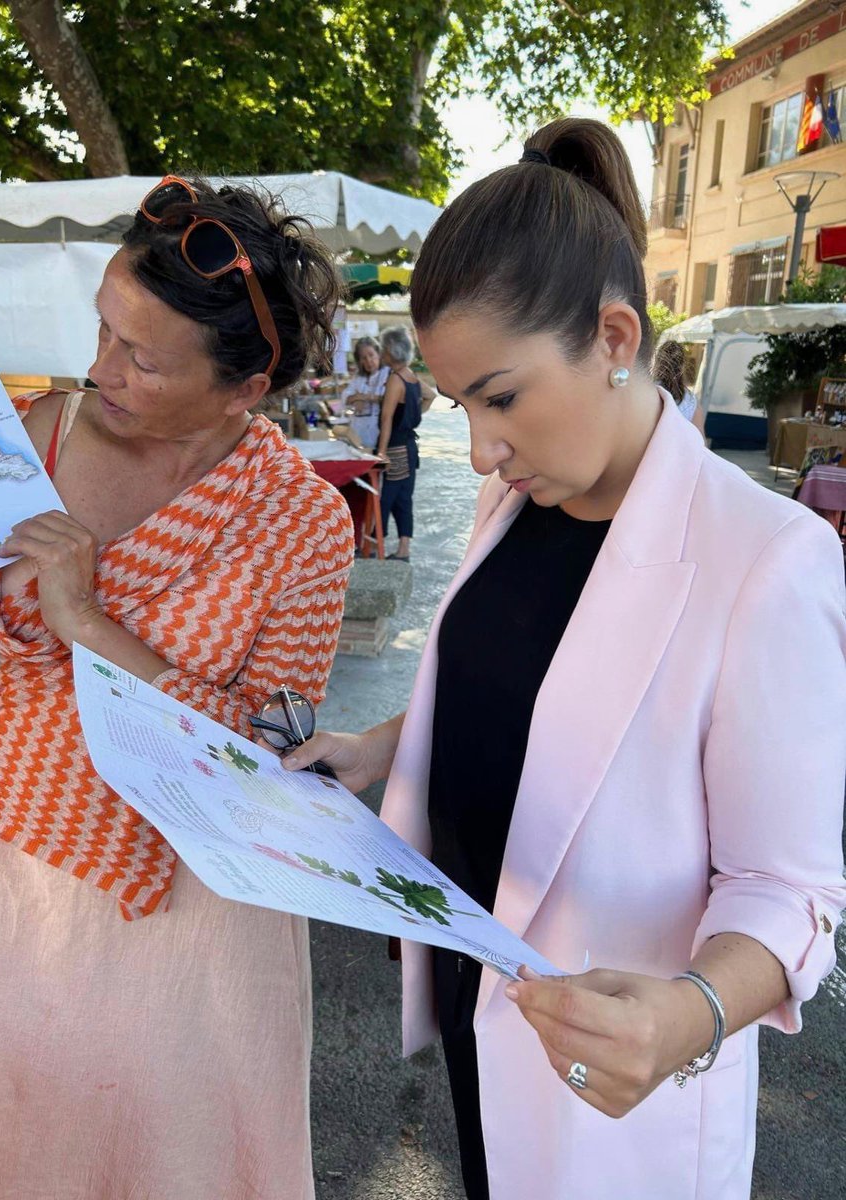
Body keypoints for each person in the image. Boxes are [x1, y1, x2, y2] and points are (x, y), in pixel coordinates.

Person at [283, 118, 846, 1200]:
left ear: (615, 337)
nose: (479, 448)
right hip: (477, 996)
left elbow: (789, 886)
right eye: (458, 406)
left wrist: (691, 1011)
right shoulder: (514, 496)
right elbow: (536, 689)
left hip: (623, 1080)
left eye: (498, 397)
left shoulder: (762, 560)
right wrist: (376, 749)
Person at [0, 176, 355, 1198]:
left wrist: (88, 624)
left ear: (244, 388)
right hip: (22, 868)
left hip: (196, 909)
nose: (100, 370)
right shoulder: (35, 436)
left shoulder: (300, 523)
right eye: (102, 329)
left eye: (140, 357)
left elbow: (275, 759)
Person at [376, 324, 434, 561]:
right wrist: (413, 416)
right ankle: (403, 548)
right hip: (410, 447)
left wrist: (381, 451)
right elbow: (431, 396)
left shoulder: (395, 379)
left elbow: (387, 418)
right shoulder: (411, 377)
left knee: (386, 499)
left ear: (390, 350)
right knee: (404, 499)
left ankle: (375, 543)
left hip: (396, 449)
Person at [342, 335, 390, 447]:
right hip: (358, 433)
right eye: (363, 358)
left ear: (379, 354)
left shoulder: (387, 374)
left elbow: (388, 398)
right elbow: (346, 397)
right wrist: (355, 399)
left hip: (379, 435)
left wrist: (362, 397)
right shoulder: (359, 377)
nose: (369, 361)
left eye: (371, 355)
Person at [653, 338, 706, 436]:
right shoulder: (691, 400)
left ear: (657, 362)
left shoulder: (648, 392)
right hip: (679, 450)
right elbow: (700, 440)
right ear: (682, 365)